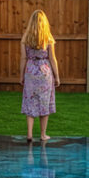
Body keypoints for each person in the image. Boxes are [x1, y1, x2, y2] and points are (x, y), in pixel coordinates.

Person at [20, 9, 60, 143]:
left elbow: (23, 58)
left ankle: (29, 134)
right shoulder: (48, 38)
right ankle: (43, 135)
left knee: (30, 101)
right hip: (45, 72)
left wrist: (21, 76)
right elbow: (52, 58)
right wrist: (57, 76)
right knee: (44, 102)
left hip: (31, 71)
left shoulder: (26, 38)